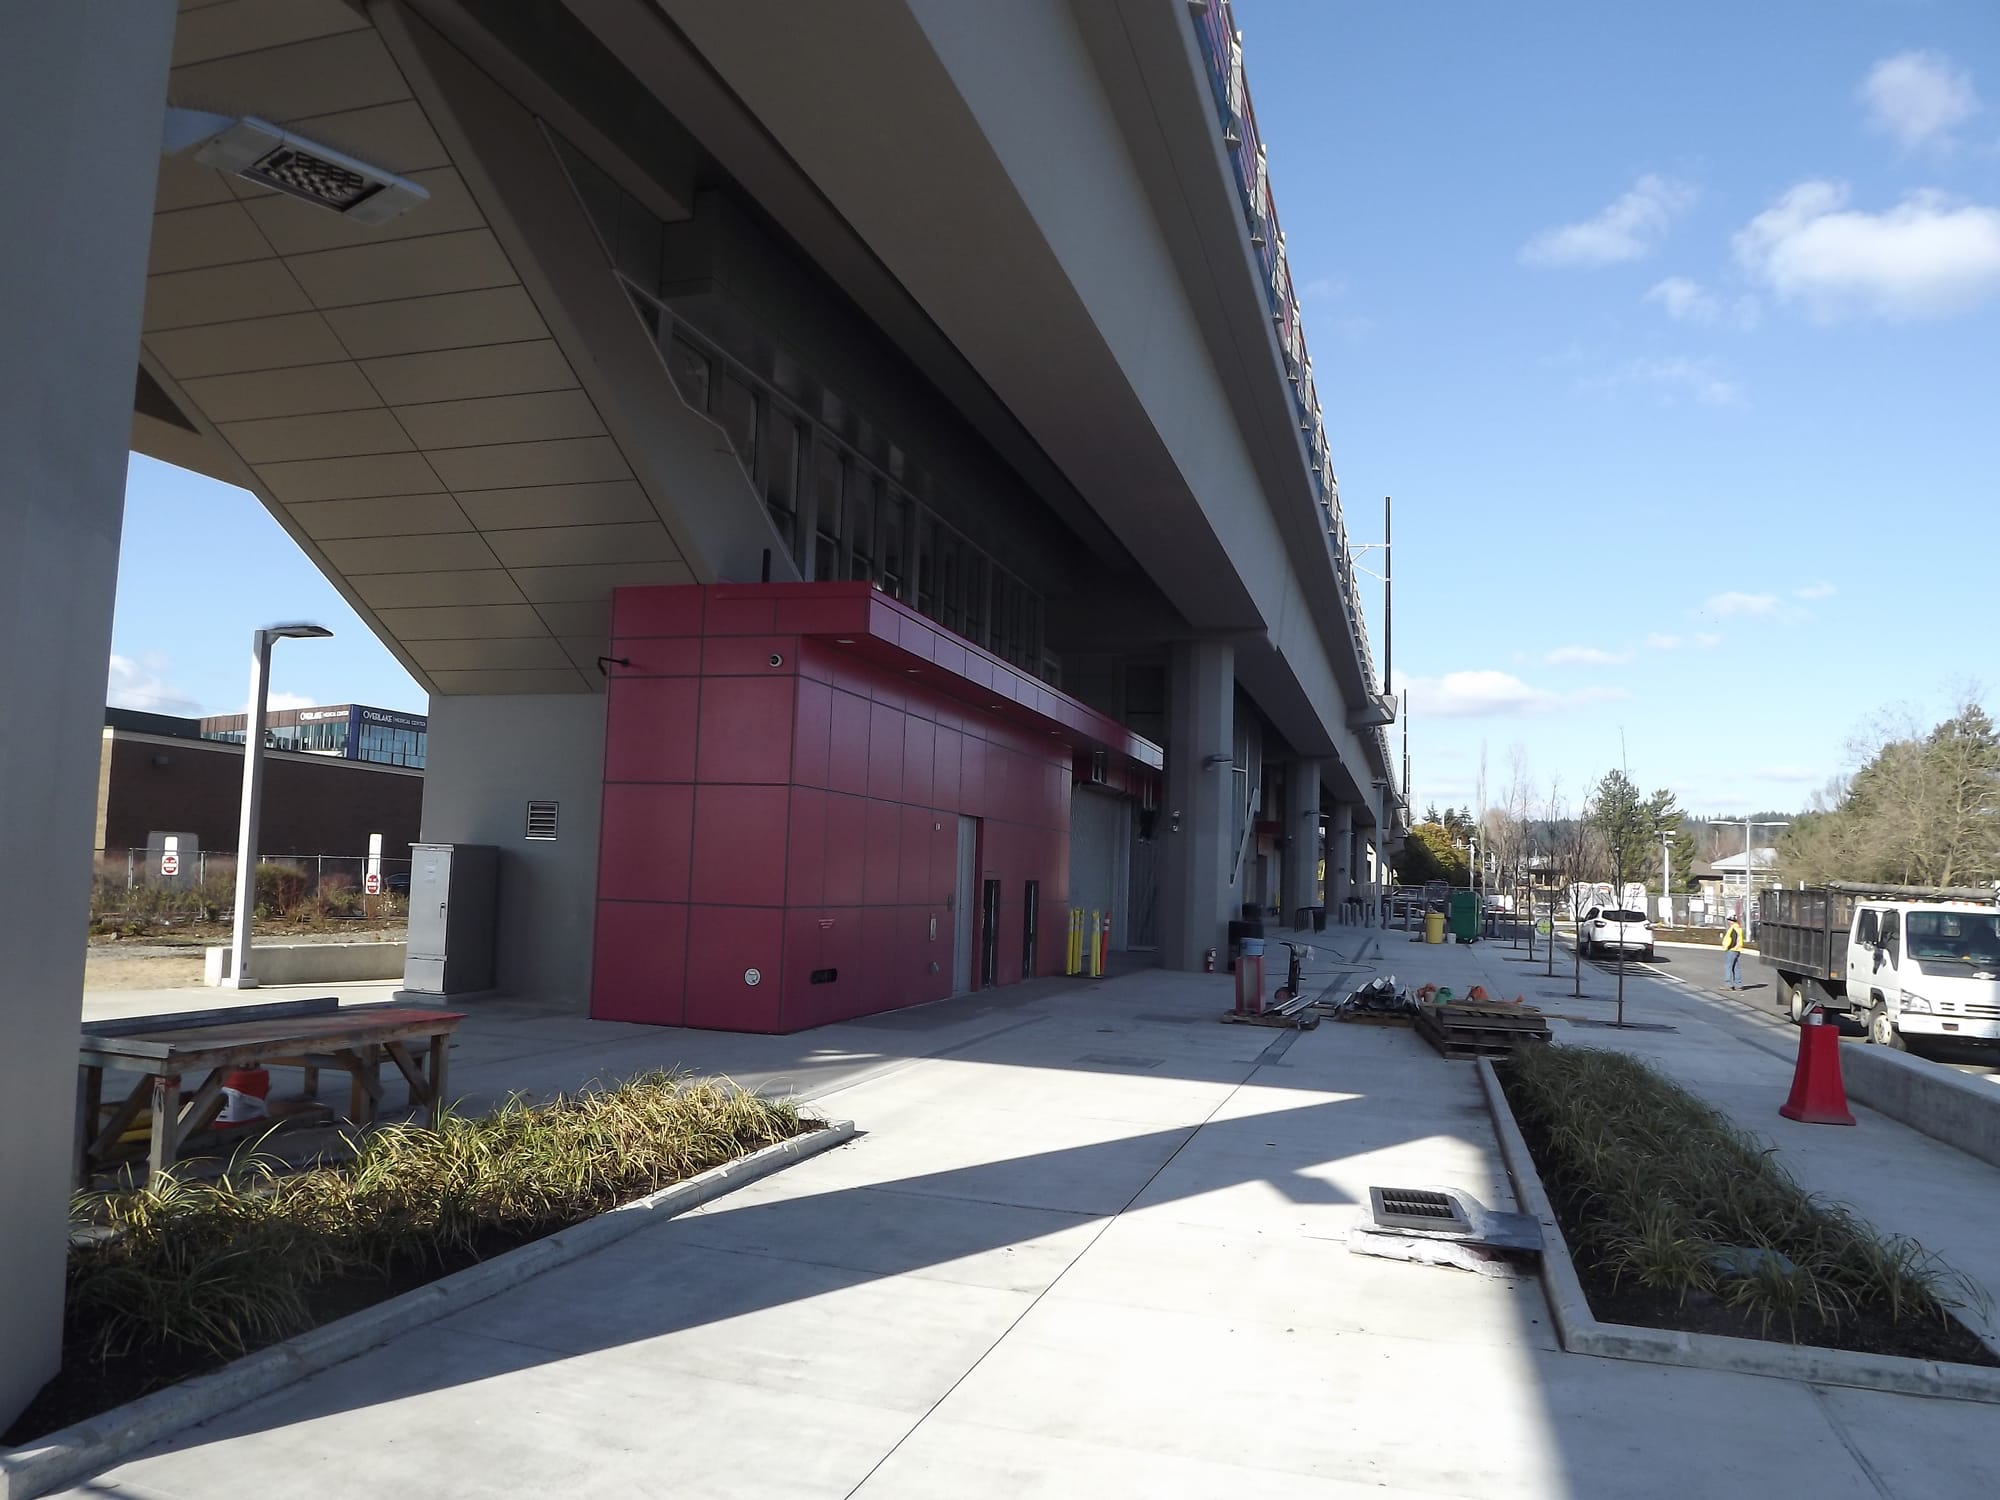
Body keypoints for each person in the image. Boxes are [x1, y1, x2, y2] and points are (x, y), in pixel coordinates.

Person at [1722, 913, 1745, 990]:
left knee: (1728, 967)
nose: (1728, 922)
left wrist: (1729, 947)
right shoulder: (1738, 928)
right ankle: (1738, 985)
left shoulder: (1733, 928)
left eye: (1729, 920)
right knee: (1735, 967)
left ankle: (1728, 984)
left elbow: (1733, 939)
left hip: (1732, 950)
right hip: (1737, 950)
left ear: (1731, 921)